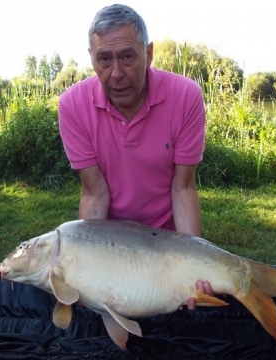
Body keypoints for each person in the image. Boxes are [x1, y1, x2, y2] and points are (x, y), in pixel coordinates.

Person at [58, 4, 212, 308]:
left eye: (127, 57)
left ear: (149, 54)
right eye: (104, 59)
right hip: (110, 243)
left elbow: (183, 188)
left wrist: (195, 259)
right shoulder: (71, 106)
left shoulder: (187, 96)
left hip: (167, 240)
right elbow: (95, 193)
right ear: (91, 58)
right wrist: (85, 264)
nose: (116, 74)